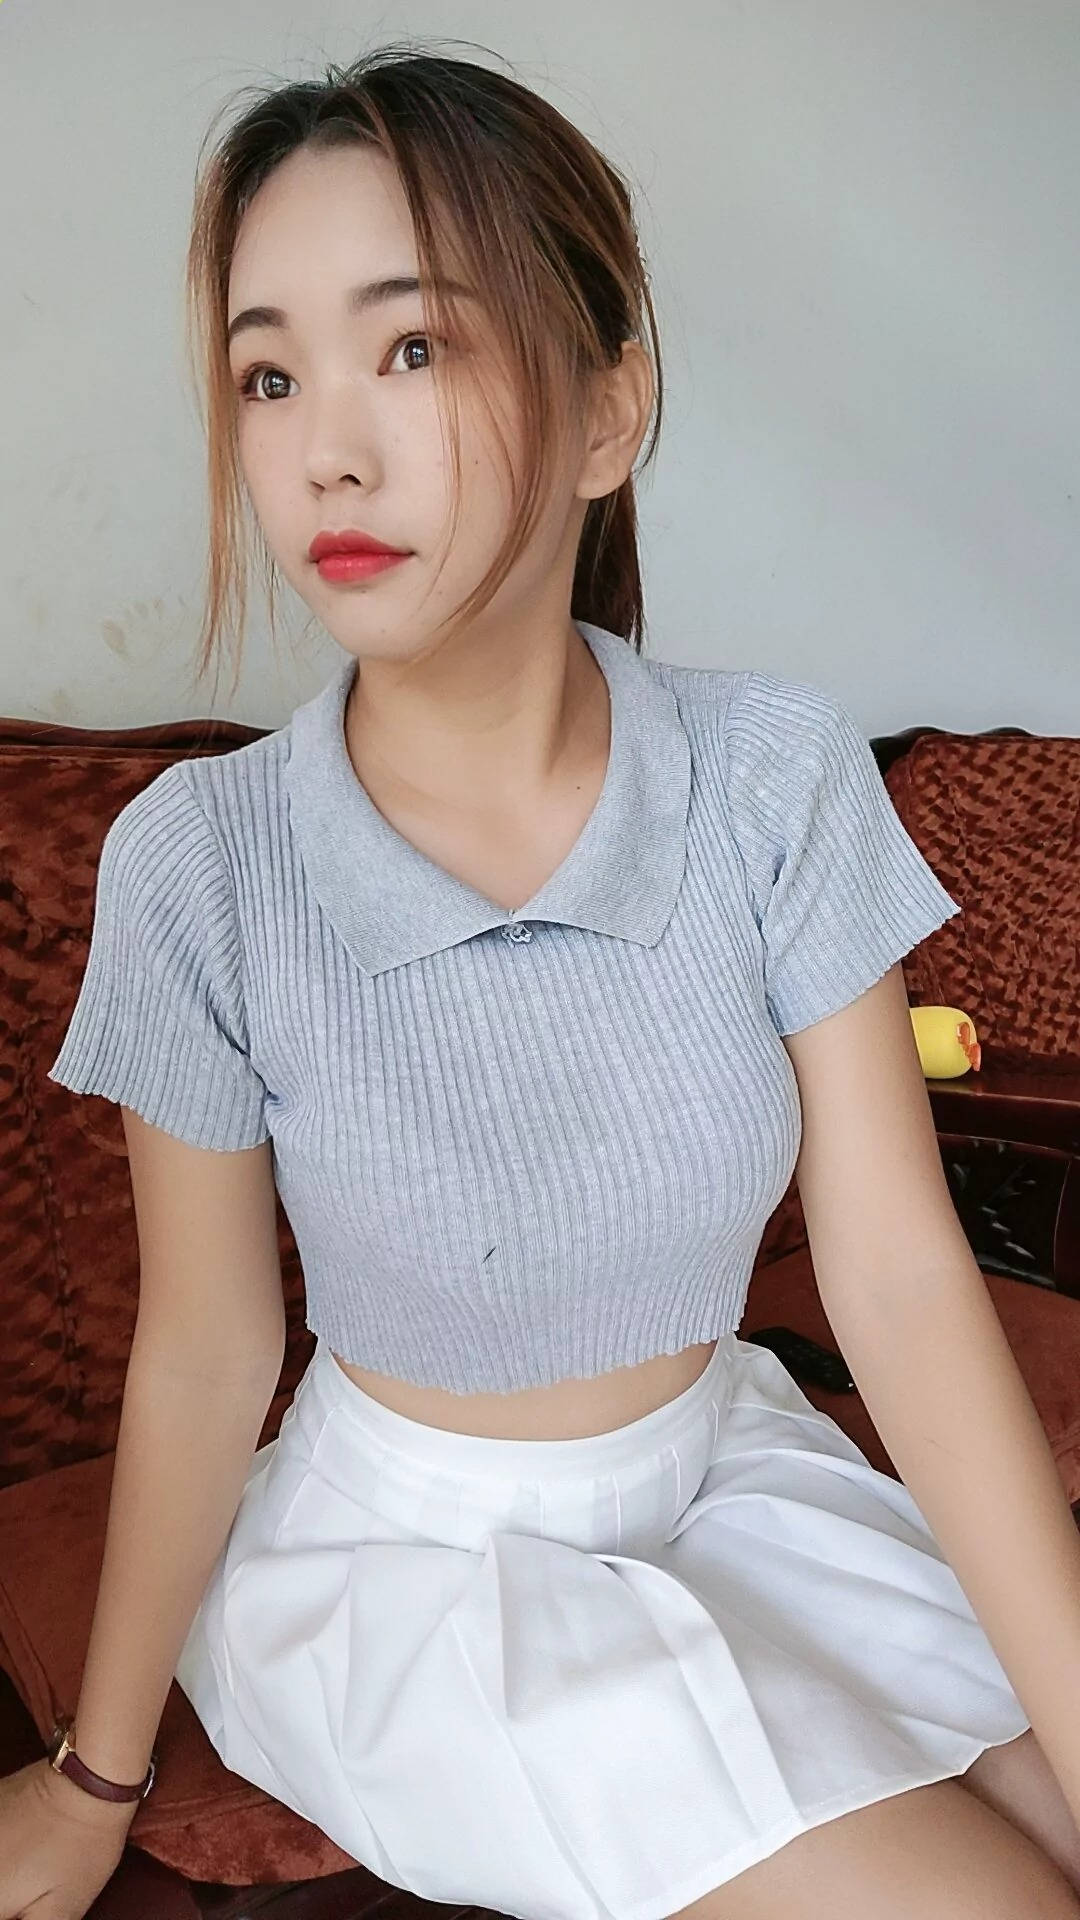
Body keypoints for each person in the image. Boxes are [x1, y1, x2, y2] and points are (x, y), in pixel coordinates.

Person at [4, 40, 1080, 1920]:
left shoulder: (771, 772)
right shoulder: (206, 862)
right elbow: (208, 1350)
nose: (326, 450)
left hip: (727, 1480)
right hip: (422, 1585)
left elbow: (903, 1283)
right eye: (270, 375)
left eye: (414, 347)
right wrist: (97, 1785)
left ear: (608, 413)